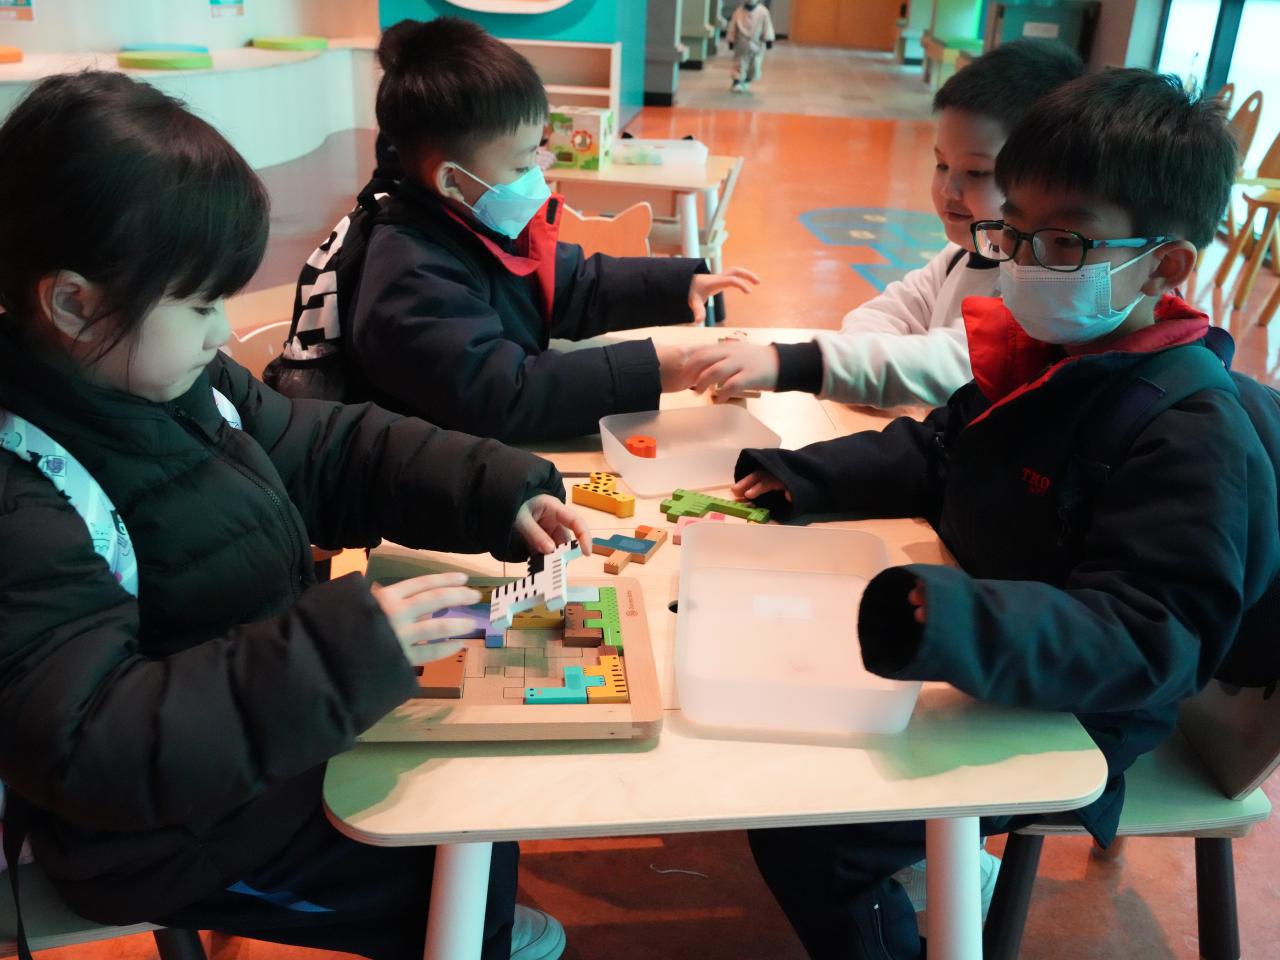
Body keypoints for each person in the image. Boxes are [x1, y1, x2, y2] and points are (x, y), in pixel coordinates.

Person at [0, 71, 587, 960]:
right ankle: (475, 930)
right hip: (167, 840)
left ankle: (478, 921)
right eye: (201, 303)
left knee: (473, 812)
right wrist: (339, 652)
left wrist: (491, 489)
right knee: (457, 858)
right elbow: (94, 744)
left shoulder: (171, 378)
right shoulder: (24, 494)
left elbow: (324, 450)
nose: (223, 333)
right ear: (75, 304)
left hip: (265, 732)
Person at [733, 69, 1280, 959]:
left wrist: (958, 619)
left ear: (1166, 266)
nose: (1022, 263)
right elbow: (939, 449)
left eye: (1063, 241)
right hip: (991, 634)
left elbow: (1146, 636)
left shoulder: (1190, 431)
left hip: (1083, 711)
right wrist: (802, 478)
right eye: (1014, 232)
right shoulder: (1044, 352)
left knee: (813, 827)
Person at [346, 17, 759, 443]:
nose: (536, 177)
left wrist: (677, 285)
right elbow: (504, 395)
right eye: (522, 165)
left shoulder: (475, 219)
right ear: (451, 179)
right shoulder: (410, 276)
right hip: (432, 462)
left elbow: (573, 284)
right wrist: (650, 370)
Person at [685, 40, 1084, 407]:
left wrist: (794, 364)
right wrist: (863, 375)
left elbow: (957, 363)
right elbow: (889, 310)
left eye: (977, 173)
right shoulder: (959, 256)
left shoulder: (1040, 292)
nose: (948, 188)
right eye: (941, 164)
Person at [727, 0, 776, 93]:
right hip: (742, 43)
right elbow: (733, 26)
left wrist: (769, 39)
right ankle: (736, 81)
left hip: (757, 43)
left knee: (754, 64)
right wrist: (731, 39)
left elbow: (767, 26)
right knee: (739, 62)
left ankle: (747, 80)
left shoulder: (763, 12)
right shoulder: (739, 11)